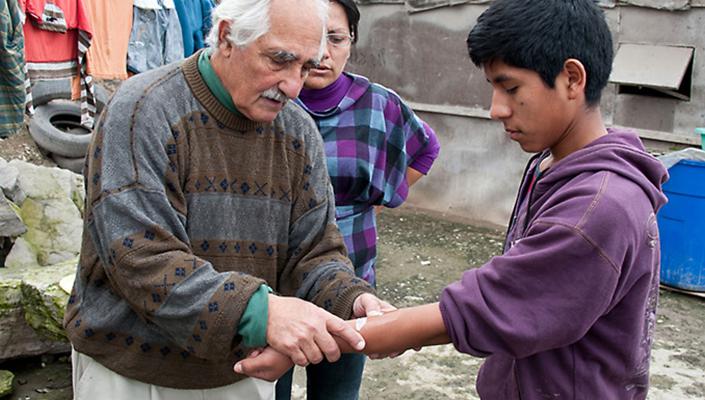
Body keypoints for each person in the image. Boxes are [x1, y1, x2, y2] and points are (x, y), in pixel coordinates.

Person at [236, 1, 669, 399]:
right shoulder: (551, 163)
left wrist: (307, 347)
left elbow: (486, 307)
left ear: (572, 78)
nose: (496, 108)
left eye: (510, 87)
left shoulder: (597, 209)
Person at [62, 0, 392, 398]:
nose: (293, 86)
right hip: (134, 374)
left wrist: (350, 298)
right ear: (227, 37)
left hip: (241, 372)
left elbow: (314, 250)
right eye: (279, 60)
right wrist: (262, 312)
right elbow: (139, 256)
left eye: (305, 67)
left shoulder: (298, 132)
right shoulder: (142, 110)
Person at [274, 0, 440, 399]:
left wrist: (379, 199)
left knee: (337, 389)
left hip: (350, 270)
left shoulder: (378, 103)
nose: (323, 52)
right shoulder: (270, 100)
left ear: (352, 41)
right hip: (274, 274)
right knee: (267, 387)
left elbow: (426, 148)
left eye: (335, 38)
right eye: (314, 38)